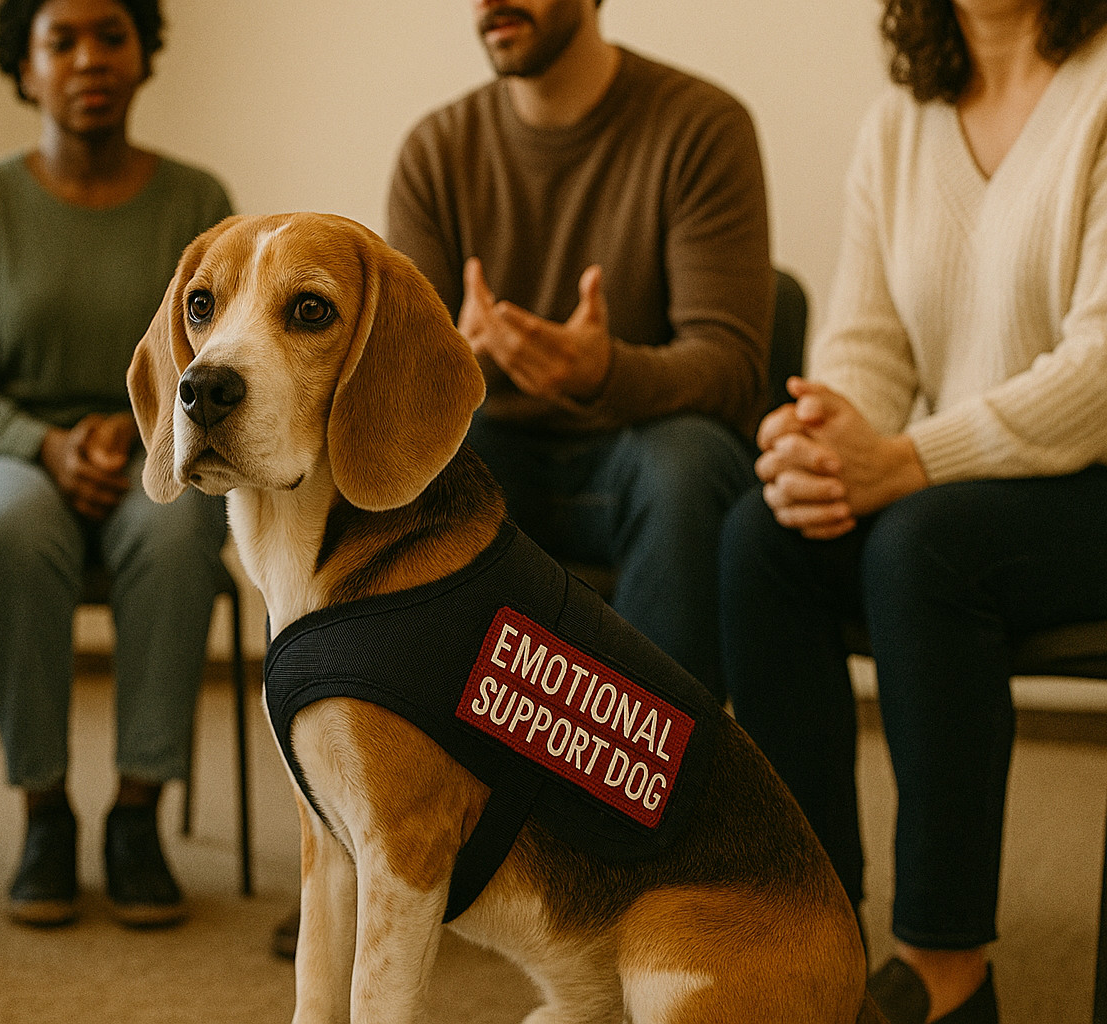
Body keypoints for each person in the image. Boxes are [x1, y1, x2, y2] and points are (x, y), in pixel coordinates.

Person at [718, 0, 1107, 1020]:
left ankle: (947, 969)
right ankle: (812, 933)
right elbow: (869, 344)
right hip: (961, 484)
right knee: (764, 535)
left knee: (922, 548)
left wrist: (904, 460)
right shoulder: (901, 120)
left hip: (1088, 484)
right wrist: (823, 440)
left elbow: (1102, 370)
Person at [0, 0, 232, 931]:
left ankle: (138, 814)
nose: (89, 59)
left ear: (145, 55)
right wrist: (45, 446)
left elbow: (221, 358)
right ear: (24, 67)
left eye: (111, 36)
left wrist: (136, 434)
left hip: (152, 444)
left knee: (179, 523)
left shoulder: (197, 203)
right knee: (16, 522)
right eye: (61, 41)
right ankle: (43, 812)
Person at [386, 0, 773, 705]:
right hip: (499, 452)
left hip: (643, 454)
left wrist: (604, 373)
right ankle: (457, 759)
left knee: (686, 466)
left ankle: (656, 760)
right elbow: (397, 391)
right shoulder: (434, 151)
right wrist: (456, 362)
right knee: (423, 468)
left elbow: (731, 367)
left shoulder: (702, 126)